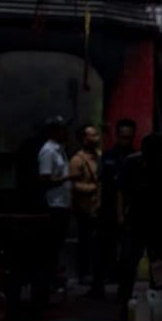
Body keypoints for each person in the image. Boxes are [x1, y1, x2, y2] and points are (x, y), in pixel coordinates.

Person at [116, 133, 162, 321]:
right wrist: (121, 215)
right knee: (130, 264)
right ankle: (129, 306)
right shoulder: (134, 164)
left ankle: (155, 306)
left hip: (158, 223)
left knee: (155, 267)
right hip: (140, 221)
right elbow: (121, 190)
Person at [36, 116, 74, 304]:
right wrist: (68, 178)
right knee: (50, 248)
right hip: (54, 206)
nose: (66, 133)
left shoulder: (61, 150)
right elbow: (44, 180)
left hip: (63, 205)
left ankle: (51, 284)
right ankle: (44, 288)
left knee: (57, 247)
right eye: (62, 129)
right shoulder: (48, 152)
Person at [99, 118, 136, 295]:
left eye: (128, 138)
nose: (125, 141)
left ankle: (123, 284)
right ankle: (99, 284)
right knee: (103, 245)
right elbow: (101, 182)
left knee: (127, 250)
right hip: (107, 208)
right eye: (122, 137)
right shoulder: (108, 156)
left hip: (129, 209)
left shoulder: (136, 158)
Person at [68, 124, 104, 297]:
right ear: (83, 138)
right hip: (84, 207)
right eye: (92, 135)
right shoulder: (77, 160)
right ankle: (84, 273)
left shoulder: (99, 156)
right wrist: (93, 188)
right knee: (85, 241)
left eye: (97, 134)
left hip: (98, 207)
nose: (96, 138)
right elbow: (73, 184)